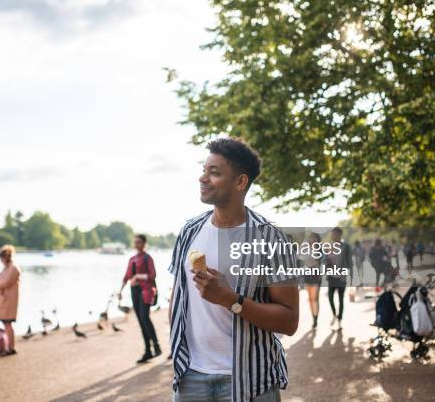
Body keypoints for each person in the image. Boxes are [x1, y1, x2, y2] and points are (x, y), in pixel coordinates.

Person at [168, 137, 298, 402]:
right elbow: (178, 296)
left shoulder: (271, 239)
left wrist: (230, 300)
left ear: (240, 182)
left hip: (250, 380)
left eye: (214, 173)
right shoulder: (189, 231)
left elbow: (289, 320)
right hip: (190, 375)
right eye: (204, 170)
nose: (203, 178)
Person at [118, 234, 161, 363]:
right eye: (135, 242)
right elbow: (126, 276)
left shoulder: (147, 258)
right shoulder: (132, 258)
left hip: (145, 291)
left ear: (144, 243)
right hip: (134, 291)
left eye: (139, 242)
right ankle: (148, 351)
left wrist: (138, 277)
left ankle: (156, 346)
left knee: (144, 317)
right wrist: (120, 290)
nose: (136, 244)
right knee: (140, 321)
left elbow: (153, 275)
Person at [325, 228, 352, 330]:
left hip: (341, 278)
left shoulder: (346, 247)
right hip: (331, 277)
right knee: (330, 297)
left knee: (341, 299)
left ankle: (339, 320)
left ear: (340, 235)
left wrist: (351, 277)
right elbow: (326, 260)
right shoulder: (330, 246)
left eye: (334, 234)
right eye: (332, 234)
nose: (333, 236)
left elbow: (349, 262)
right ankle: (334, 314)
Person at [300, 232, 323, 328]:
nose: (312, 240)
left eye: (314, 238)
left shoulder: (320, 250)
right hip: (307, 275)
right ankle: (313, 316)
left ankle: (315, 319)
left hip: (316, 275)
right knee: (310, 299)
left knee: (315, 299)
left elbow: (322, 263)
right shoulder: (306, 249)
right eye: (311, 238)